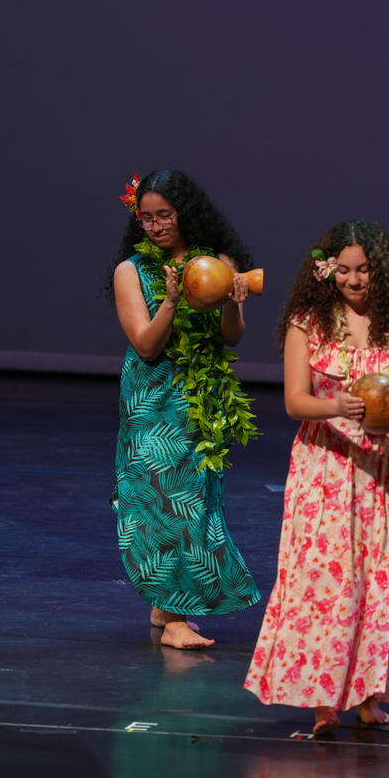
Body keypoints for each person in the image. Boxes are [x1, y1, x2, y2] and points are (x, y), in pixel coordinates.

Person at [244, 220, 389, 734]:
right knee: (328, 582)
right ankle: (324, 700)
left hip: (388, 469)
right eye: (345, 271)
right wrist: (337, 405)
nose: (354, 281)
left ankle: (370, 695)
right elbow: (294, 401)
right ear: (327, 270)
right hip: (327, 467)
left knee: (380, 580)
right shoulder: (307, 323)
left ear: (382, 270)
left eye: (365, 271)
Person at [111, 169, 261, 649]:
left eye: (165, 216)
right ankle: (174, 617)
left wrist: (235, 305)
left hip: (201, 397)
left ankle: (166, 604)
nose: (154, 226)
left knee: (193, 495)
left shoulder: (217, 264)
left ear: (185, 213)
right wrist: (171, 303)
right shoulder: (130, 271)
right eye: (146, 217)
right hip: (151, 398)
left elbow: (230, 337)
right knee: (158, 499)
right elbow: (147, 344)